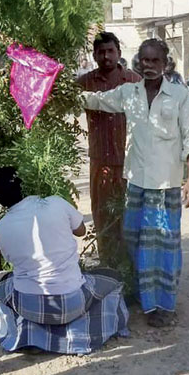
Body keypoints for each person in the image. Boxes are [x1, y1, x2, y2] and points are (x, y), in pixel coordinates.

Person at [83, 39, 189, 327]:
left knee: (164, 245)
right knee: (135, 239)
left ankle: (164, 305)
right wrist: (55, 89)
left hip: (167, 184)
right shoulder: (128, 93)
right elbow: (95, 100)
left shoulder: (179, 96)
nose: (149, 66)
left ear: (165, 64)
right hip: (136, 182)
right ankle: (143, 295)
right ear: (138, 62)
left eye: (155, 61)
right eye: (144, 61)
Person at [0, 167, 129, 354]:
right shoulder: (56, 203)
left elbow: (12, 261)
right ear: (26, 184)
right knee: (113, 280)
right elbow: (81, 231)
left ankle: (29, 336)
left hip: (28, 306)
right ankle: (80, 334)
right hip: (73, 303)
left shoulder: (0, 228)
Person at [76, 32, 141, 266]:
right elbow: (63, 101)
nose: (106, 56)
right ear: (94, 55)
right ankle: (109, 268)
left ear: (119, 53)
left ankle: (129, 269)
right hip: (100, 161)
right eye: (101, 52)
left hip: (129, 162)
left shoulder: (133, 80)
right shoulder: (85, 82)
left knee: (129, 216)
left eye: (110, 51)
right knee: (103, 216)